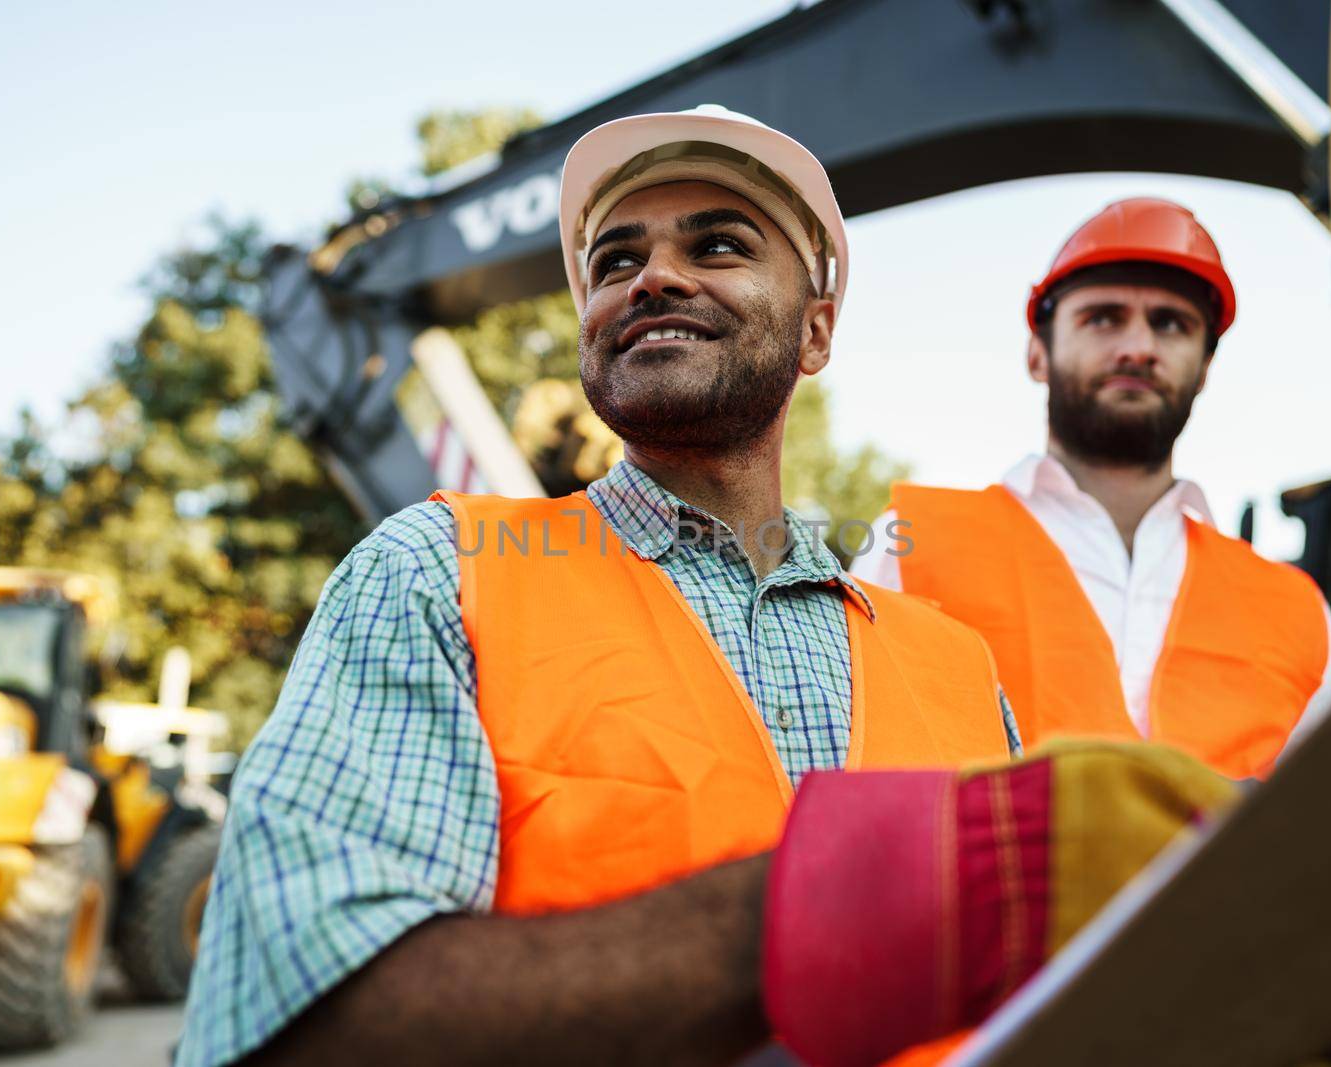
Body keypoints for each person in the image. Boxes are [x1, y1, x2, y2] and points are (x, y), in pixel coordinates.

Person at [175, 105, 1032, 1067]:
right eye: (617, 261)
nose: (656, 276)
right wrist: (824, 913)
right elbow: (297, 1020)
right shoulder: (435, 574)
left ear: (816, 329)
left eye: (718, 243)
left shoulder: (957, 667)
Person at [853, 198, 1331, 779]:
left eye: (1171, 323)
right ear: (1037, 353)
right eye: (1104, 317)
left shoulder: (1300, 614)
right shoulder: (909, 544)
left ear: (1206, 367)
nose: (1138, 346)